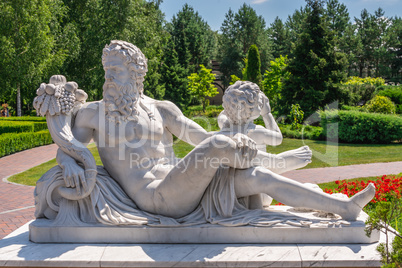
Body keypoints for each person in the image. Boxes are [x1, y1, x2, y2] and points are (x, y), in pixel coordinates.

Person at [53, 40, 374, 221]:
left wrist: (231, 145)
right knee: (223, 144)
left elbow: (201, 138)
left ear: (137, 74)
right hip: (155, 197)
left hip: (181, 179)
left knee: (257, 179)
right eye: (106, 71)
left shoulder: (161, 109)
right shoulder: (91, 113)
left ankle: (344, 207)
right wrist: (67, 163)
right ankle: (284, 160)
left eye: (116, 71)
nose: (109, 78)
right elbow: (70, 149)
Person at [217, 81, 313, 208]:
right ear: (250, 109)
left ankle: (279, 163)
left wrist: (231, 107)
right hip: (260, 195)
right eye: (259, 104)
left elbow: (221, 116)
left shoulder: (225, 126)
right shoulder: (257, 131)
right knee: (262, 174)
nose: (262, 105)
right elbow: (277, 138)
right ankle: (280, 163)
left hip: (230, 192)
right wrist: (267, 113)